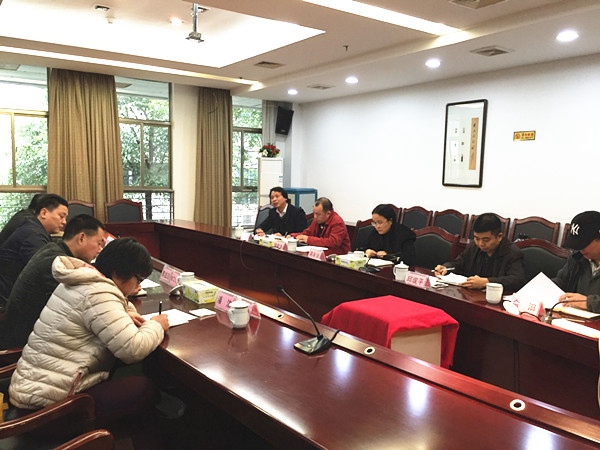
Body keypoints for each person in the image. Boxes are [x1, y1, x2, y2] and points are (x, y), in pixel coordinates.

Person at [9, 237, 169, 442]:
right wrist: (157, 325)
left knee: (126, 381)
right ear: (118, 273)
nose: (138, 287)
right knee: (144, 388)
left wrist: (124, 312)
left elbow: (109, 306)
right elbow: (132, 349)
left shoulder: (83, 280)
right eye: (138, 280)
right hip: (48, 412)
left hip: (33, 394)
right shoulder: (99, 293)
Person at [0, 214, 106, 349]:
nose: (99, 250)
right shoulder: (57, 264)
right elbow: (85, 301)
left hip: (28, 335)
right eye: (98, 243)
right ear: (81, 238)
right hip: (24, 345)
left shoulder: (53, 250)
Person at [0, 194, 69, 303]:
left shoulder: (34, 227)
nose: (64, 222)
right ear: (44, 213)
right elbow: (46, 271)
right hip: (7, 300)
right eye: (61, 216)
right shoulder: (33, 234)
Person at [434, 212, 525, 291]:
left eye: (486, 240)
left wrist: (486, 282)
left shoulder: (512, 252)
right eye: (477, 238)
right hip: (471, 295)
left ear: (499, 237)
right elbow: (459, 263)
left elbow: (516, 280)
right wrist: (446, 268)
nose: (480, 244)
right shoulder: (473, 246)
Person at [552, 211, 600, 312]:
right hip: (572, 317)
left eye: (583, 244)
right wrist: (546, 287)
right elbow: (563, 281)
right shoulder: (577, 257)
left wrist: (589, 303)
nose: (580, 249)